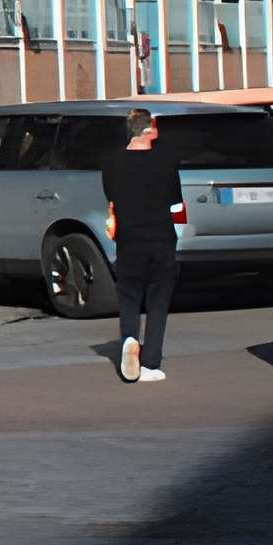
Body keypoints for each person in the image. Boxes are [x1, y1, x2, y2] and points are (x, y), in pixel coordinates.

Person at [101, 109, 183, 384]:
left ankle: (129, 339)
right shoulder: (167, 159)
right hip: (161, 238)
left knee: (129, 296)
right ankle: (150, 363)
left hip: (129, 238)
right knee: (158, 301)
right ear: (151, 128)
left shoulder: (112, 160)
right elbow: (175, 200)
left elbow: (110, 195)